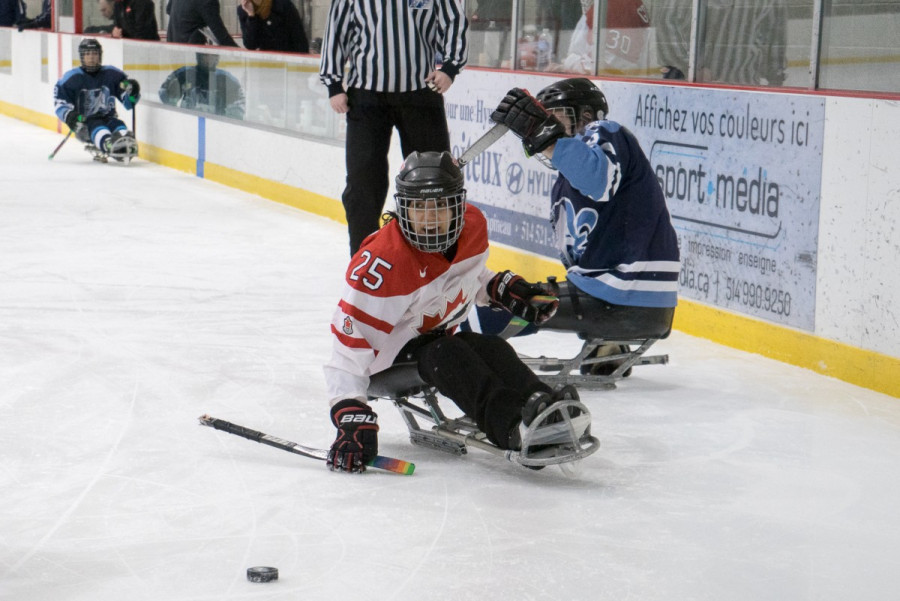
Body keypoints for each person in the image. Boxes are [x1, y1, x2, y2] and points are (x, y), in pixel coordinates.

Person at [323, 151, 589, 473]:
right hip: (380, 365)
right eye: (418, 207)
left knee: (490, 346)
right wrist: (350, 412)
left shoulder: (472, 227)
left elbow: (465, 278)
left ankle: (547, 410)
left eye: (440, 205)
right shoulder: (383, 264)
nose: (429, 218)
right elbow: (348, 348)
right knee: (447, 354)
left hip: (431, 339)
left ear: (458, 207)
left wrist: (500, 288)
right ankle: (512, 426)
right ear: (402, 208)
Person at [470, 78, 679, 374]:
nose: (548, 124)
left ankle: (438, 357)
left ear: (585, 116)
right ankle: (609, 343)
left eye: (554, 117)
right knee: (520, 297)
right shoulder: (566, 181)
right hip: (625, 299)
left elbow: (596, 179)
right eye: (543, 119)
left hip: (621, 294)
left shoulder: (606, 132)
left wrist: (543, 134)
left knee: (497, 306)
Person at [319, 0, 468, 256]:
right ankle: (364, 259)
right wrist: (333, 83)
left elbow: (454, 19)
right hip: (366, 97)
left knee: (436, 180)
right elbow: (337, 29)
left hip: (420, 92)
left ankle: (438, 258)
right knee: (363, 185)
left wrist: (450, 67)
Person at [654, 0, 787, 86]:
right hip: (691, 87)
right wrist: (689, 67)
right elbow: (666, 22)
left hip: (743, 88)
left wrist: (776, 76)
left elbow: (775, 34)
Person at [53, 38, 140, 161]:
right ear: (82, 56)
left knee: (119, 125)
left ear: (100, 55)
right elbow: (60, 103)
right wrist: (69, 115)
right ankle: (108, 144)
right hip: (85, 123)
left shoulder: (112, 74)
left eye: (94, 53)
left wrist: (133, 92)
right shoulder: (72, 78)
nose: (91, 57)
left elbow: (129, 104)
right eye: (87, 54)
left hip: (109, 118)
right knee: (98, 126)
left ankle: (123, 142)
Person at [549, 0, 651, 76]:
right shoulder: (635, 5)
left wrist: (567, 65)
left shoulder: (609, 7)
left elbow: (600, 67)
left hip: (607, 89)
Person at [158, 52, 245, 119]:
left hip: (217, 124)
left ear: (217, 58)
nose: (209, 59)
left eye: (212, 56)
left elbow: (238, 107)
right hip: (188, 121)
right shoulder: (183, 73)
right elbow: (164, 94)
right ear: (198, 57)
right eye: (205, 56)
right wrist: (171, 96)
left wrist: (228, 121)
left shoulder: (227, 78)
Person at [237, 0, 309, 53]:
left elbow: (299, 38)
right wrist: (251, 15)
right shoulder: (244, 10)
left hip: (288, 58)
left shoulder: (283, 5)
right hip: (266, 62)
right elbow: (250, 45)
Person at [166, 0, 238, 46]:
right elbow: (220, 34)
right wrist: (240, 53)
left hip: (173, 47)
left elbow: (168, 10)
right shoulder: (207, 1)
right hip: (190, 54)